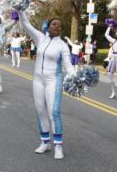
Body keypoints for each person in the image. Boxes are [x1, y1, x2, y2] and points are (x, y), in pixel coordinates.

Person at [18, 12, 76, 160]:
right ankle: (45, 142)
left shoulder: (62, 45)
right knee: (40, 111)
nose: (57, 26)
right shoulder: (40, 39)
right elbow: (26, 24)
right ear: (48, 26)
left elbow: (67, 65)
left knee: (53, 112)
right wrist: (20, 9)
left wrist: (74, 76)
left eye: (59, 25)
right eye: (54, 24)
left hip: (53, 80)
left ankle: (58, 146)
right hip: (38, 79)